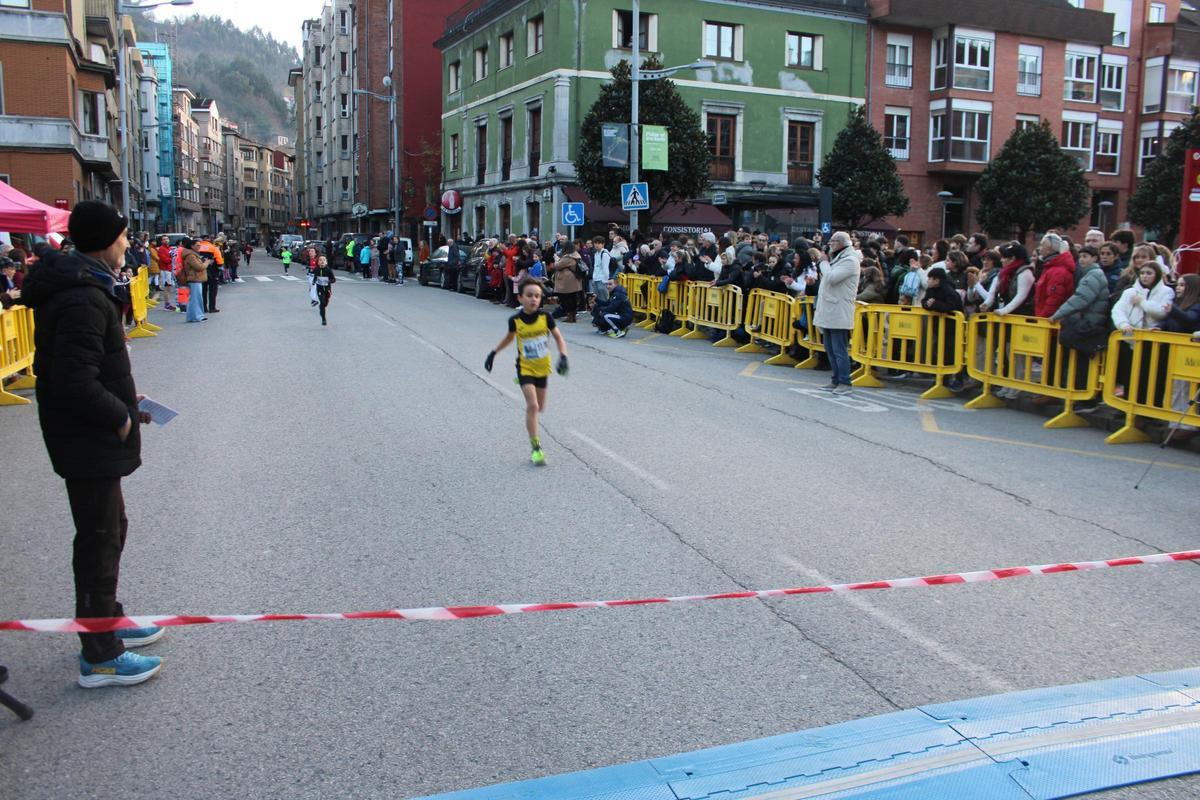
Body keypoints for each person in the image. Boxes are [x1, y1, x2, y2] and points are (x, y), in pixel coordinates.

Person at [20, 200, 164, 688]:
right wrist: (117, 413)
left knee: (111, 530)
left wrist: (127, 397)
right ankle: (100, 654)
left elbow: (85, 369)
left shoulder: (88, 286)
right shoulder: (83, 296)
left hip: (86, 434)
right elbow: (72, 380)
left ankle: (108, 620)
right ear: (106, 240)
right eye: (123, 235)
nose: (128, 243)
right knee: (100, 540)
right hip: (85, 437)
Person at [483, 278, 569, 466]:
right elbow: (508, 338)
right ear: (520, 298)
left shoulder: (546, 318)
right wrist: (493, 353)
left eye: (537, 296)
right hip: (525, 367)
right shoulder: (515, 320)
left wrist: (563, 356)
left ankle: (528, 389)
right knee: (533, 407)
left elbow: (559, 339)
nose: (534, 299)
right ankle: (536, 447)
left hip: (542, 368)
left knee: (541, 407)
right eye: (529, 295)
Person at [1111, 257, 1174, 398]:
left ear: (1157, 275)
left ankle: (1148, 410)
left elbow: (1162, 312)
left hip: (1153, 340)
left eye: (1149, 273)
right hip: (1131, 338)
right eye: (1142, 273)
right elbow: (1118, 310)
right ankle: (1127, 405)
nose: (1145, 276)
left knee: (1150, 376)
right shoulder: (1130, 292)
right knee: (1129, 373)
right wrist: (1124, 324)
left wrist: (1142, 302)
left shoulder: (1167, 292)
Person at [815, 231, 861, 395]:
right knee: (830, 348)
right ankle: (835, 380)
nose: (830, 244)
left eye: (833, 241)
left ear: (841, 243)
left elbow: (832, 278)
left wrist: (824, 263)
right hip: (830, 310)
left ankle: (844, 382)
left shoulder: (850, 260)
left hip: (839, 310)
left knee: (839, 349)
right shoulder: (839, 259)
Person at [552, 242, 584, 322]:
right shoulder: (576, 255)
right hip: (574, 280)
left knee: (565, 298)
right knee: (572, 298)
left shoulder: (568, 257)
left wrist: (556, 259)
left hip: (567, 281)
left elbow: (557, 266)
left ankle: (570, 316)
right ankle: (572, 316)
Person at [179, 237, 207, 323]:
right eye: (197, 245)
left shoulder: (191, 254)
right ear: (192, 246)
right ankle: (197, 316)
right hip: (194, 278)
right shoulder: (191, 256)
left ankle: (192, 317)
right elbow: (199, 267)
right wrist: (207, 263)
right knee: (196, 299)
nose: (199, 247)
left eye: (200, 245)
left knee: (194, 299)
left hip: (194, 278)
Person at [313, 254, 336, 326]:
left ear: (326, 262)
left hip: (327, 289)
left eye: (324, 260)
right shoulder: (316, 269)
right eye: (320, 260)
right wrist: (314, 281)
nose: (322, 261)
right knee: (322, 303)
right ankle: (323, 319)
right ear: (318, 262)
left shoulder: (328, 270)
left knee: (325, 303)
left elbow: (334, 279)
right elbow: (315, 277)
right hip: (320, 289)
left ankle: (322, 307)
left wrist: (329, 281)